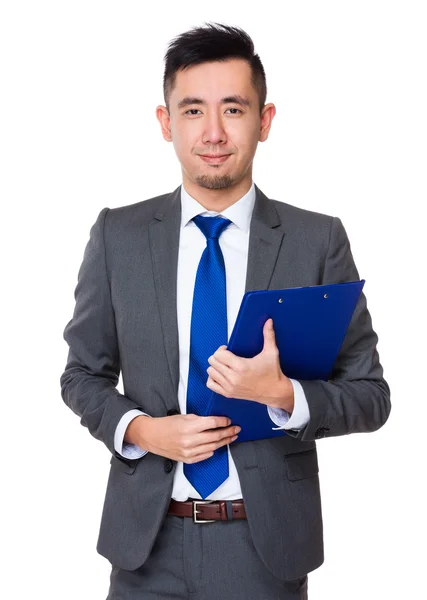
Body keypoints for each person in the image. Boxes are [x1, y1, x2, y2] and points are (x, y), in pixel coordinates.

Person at [60, 22, 391, 600]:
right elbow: (80, 376)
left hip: (264, 552)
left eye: (233, 109)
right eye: (192, 111)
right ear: (166, 123)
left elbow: (371, 395)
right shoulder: (119, 235)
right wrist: (141, 430)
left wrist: (286, 394)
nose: (213, 132)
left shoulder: (317, 241)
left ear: (264, 122)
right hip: (145, 548)